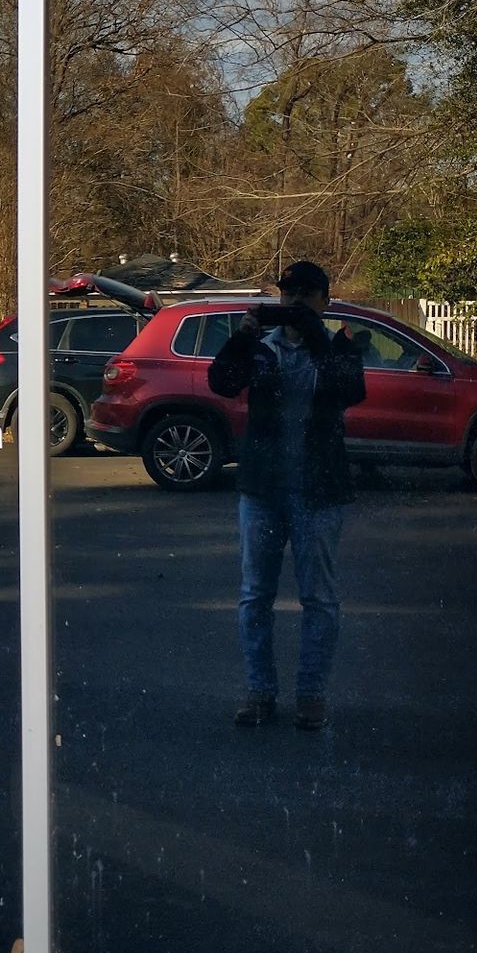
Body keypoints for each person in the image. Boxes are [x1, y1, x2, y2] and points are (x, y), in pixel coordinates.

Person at [207, 261, 366, 731]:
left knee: (320, 598)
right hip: (262, 490)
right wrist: (243, 337)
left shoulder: (338, 346)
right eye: (287, 294)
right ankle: (259, 692)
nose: (294, 301)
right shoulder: (261, 350)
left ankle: (312, 695)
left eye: (306, 294)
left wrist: (315, 334)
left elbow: (349, 390)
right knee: (255, 596)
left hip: (319, 492)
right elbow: (222, 383)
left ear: (326, 301)